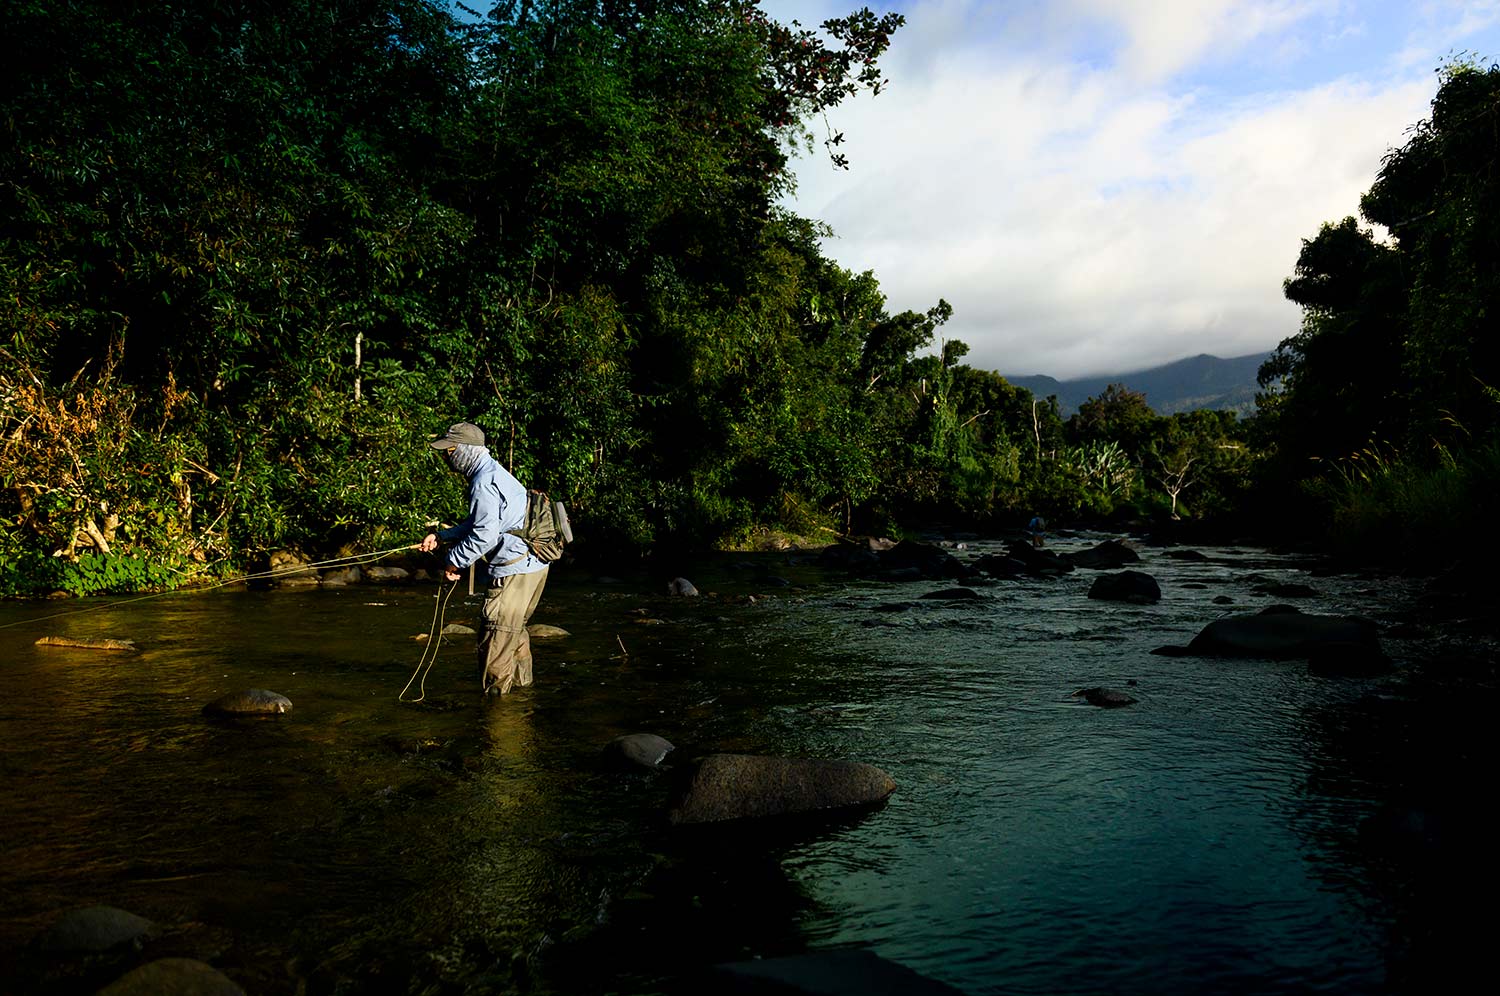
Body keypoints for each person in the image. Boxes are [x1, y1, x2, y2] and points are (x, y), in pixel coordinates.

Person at [419, 421, 549, 696]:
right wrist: (443, 537)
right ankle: (523, 700)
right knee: (513, 634)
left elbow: (485, 537)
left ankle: (498, 717)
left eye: (450, 451)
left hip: (515, 569)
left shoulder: (482, 483)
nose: (447, 457)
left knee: (495, 641)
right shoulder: (495, 472)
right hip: (534, 566)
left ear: (465, 450)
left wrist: (454, 561)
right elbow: (483, 522)